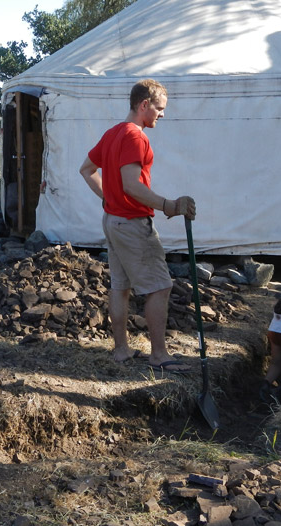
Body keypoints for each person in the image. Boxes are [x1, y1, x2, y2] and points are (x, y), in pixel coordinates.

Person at [79, 79, 196, 369]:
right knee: (159, 287)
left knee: (120, 286)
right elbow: (132, 186)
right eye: (159, 108)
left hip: (112, 220)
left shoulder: (112, 133)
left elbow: (86, 169)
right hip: (131, 223)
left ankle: (122, 350)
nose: (162, 114)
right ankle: (158, 355)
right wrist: (170, 206)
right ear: (144, 105)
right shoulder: (135, 136)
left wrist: (111, 199)